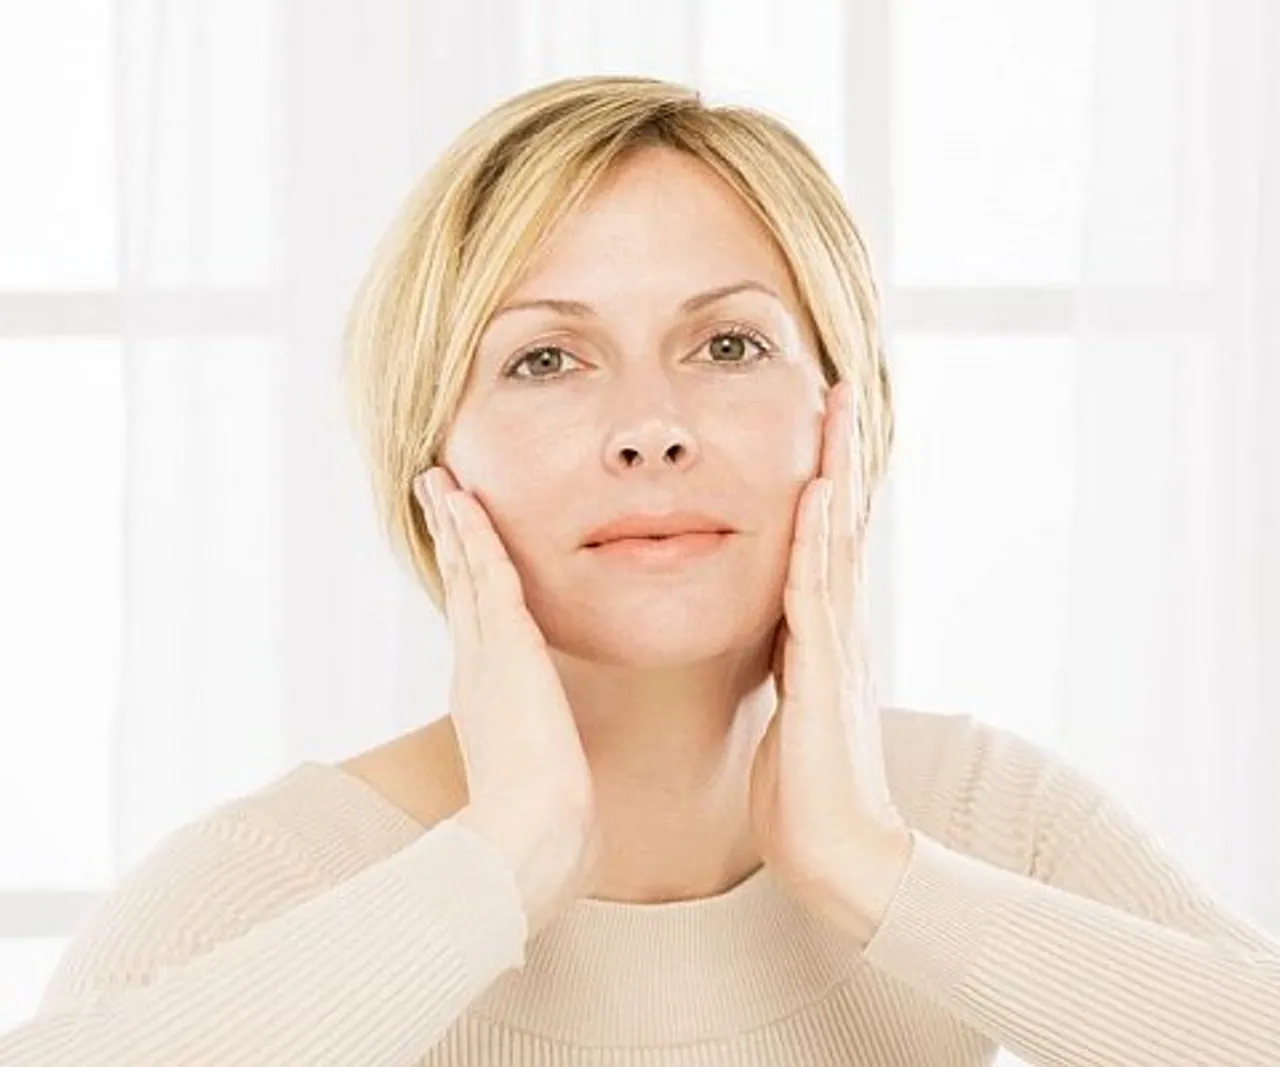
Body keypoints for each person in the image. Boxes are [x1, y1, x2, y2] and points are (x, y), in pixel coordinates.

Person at [2, 73, 1277, 1067]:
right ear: (426, 453)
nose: (650, 423)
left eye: (726, 343)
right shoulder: (270, 880)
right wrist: (494, 865)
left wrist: (875, 870)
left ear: (846, 414)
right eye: (544, 359)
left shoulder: (987, 815)